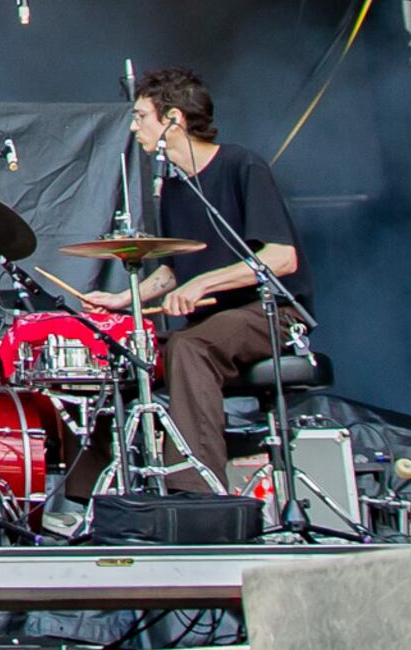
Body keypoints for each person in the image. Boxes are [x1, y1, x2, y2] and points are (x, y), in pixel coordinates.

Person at [84, 66, 313, 492]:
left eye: (140, 117)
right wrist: (122, 300)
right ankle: (90, 497)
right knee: (117, 353)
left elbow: (282, 258)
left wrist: (204, 285)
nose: (134, 128)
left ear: (174, 118)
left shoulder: (241, 165)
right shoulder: (173, 189)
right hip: (215, 324)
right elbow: (176, 270)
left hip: (270, 315)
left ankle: (198, 490)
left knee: (189, 348)